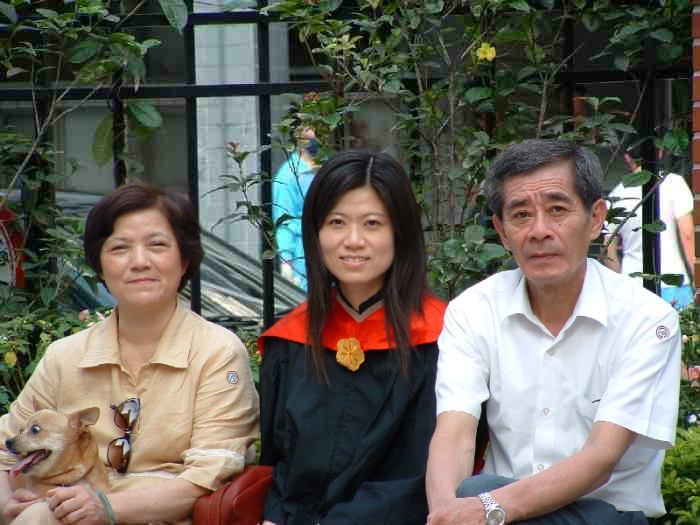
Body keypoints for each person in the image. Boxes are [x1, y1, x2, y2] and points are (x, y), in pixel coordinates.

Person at [426, 139, 681, 524]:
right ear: (501, 230)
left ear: (595, 218)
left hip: (605, 517)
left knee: (479, 493)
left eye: (557, 210)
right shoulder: (473, 311)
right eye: (521, 215)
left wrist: (486, 509)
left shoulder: (647, 320)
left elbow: (600, 459)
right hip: (499, 511)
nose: (539, 231)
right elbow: (455, 434)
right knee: (471, 492)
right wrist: (446, 514)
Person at [0, 182, 260, 524]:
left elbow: (207, 478)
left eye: (157, 245)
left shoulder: (217, 352)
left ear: (184, 259)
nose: (139, 262)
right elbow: (5, 448)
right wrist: (6, 505)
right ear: (100, 264)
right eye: (120, 248)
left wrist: (106, 508)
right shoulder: (66, 356)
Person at [259, 150, 446, 524]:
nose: (353, 240)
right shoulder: (291, 341)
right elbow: (279, 462)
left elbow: (416, 478)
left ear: (400, 232)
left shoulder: (440, 339)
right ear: (315, 232)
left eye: (373, 223)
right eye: (337, 222)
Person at [606, 152, 695, 308]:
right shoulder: (674, 183)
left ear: (626, 156)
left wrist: (618, 284)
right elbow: (687, 236)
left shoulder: (617, 193)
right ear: (658, 151)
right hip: (673, 282)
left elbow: (608, 248)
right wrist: (696, 279)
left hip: (632, 288)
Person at [272, 123, 319, 291]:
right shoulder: (287, 177)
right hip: (303, 255)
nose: (314, 140)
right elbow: (284, 221)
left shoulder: (326, 168)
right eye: (308, 136)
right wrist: (287, 262)